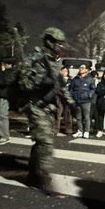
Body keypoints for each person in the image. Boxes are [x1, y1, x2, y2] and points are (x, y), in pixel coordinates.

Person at [15, 27, 75, 191]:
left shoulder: (54, 63)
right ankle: (43, 177)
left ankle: (33, 174)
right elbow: (23, 84)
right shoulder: (34, 59)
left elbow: (61, 86)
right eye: (57, 43)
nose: (60, 46)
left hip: (48, 107)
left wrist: (71, 102)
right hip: (34, 105)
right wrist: (41, 81)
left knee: (41, 140)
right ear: (48, 41)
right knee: (46, 141)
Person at [69, 63, 95, 139]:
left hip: (86, 101)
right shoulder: (75, 79)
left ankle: (86, 131)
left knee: (87, 117)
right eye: (80, 67)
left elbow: (93, 89)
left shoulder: (90, 79)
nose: (81, 69)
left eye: (83, 68)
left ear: (87, 70)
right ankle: (80, 131)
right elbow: (71, 89)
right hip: (77, 100)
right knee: (78, 117)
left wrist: (89, 95)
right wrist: (73, 96)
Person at [55, 67, 73, 135]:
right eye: (63, 71)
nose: (64, 72)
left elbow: (72, 88)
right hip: (59, 97)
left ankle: (68, 130)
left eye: (66, 71)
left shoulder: (70, 80)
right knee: (58, 113)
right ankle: (56, 129)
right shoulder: (57, 80)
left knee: (68, 114)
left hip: (67, 98)